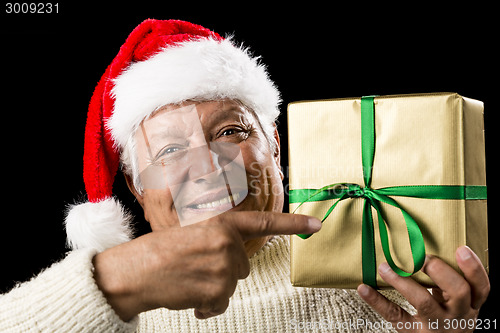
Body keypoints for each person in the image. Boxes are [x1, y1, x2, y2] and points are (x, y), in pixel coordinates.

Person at [0, 19, 489, 332]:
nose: (208, 167)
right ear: (136, 189)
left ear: (275, 143)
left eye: (230, 131)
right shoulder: (112, 308)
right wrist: (116, 280)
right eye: (169, 149)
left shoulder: (387, 261)